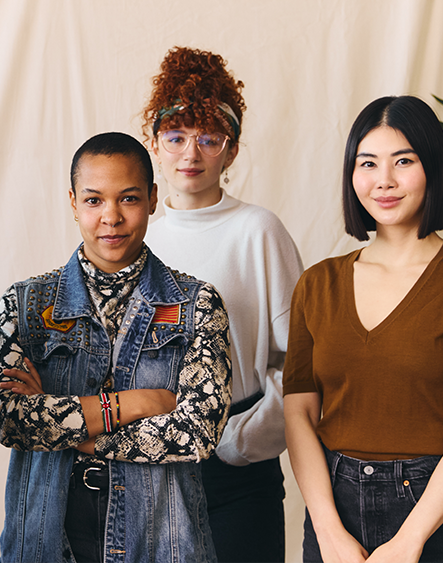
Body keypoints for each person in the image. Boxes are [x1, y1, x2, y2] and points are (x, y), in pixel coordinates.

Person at [0, 132, 232, 563]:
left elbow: (197, 432)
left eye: (129, 199)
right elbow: (10, 420)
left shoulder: (197, 304)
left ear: (153, 199)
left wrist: (69, 430)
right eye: (94, 200)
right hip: (44, 540)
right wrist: (140, 402)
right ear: (73, 202)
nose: (111, 217)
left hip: (163, 542)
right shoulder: (25, 305)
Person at [140, 46, 303, 562]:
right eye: (177, 137)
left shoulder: (258, 231)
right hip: (155, 465)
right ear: (155, 143)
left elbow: (301, 358)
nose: (191, 153)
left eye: (209, 139)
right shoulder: (138, 240)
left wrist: (244, 438)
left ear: (230, 151)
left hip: (238, 468)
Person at [284, 95, 443, 563]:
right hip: (333, 508)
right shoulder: (317, 284)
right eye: (368, 163)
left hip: (436, 512)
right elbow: (299, 413)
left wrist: (411, 539)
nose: (384, 181)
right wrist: (328, 530)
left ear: (433, 165)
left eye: (404, 161)